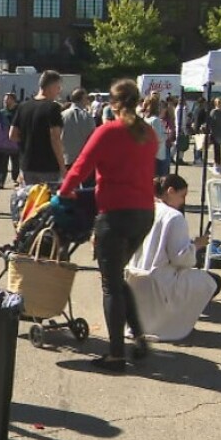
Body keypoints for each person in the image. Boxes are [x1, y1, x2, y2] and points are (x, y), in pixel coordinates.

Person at [55, 79, 156, 372]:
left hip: (115, 213)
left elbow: (80, 167)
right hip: (143, 213)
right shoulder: (147, 132)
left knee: (110, 285)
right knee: (117, 278)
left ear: (112, 103)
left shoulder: (108, 131)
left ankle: (115, 354)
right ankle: (137, 336)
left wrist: (63, 194)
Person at [126, 174, 221, 342]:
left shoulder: (144, 208)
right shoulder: (174, 216)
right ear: (170, 191)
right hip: (160, 279)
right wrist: (197, 246)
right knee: (213, 281)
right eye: (182, 196)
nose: (183, 201)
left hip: (134, 275)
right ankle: (175, 320)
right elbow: (180, 259)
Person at [9, 70, 65, 185]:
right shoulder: (53, 108)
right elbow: (55, 138)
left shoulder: (23, 106)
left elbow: (12, 135)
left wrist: (28, 139)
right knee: (46, 200)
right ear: (51, 87)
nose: (59, 91)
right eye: (58, 87)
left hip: (27, 165)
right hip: (48, 166)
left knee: (30, 200)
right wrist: (62, 166)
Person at [61, 88, 95, 172]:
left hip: (65, 158)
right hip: (83, 159)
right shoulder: (87, 117)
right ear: (82, 98)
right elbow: (93, 138)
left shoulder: (62, 115)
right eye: (86, 98)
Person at [142, 97, 169, 177]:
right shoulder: (155, 120)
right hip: (158, 154)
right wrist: (166, 134)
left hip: (148, 153)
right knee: (159, 179)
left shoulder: (145, 119)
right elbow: (157, 137)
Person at [1, 93, 22, 185]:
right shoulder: (1, 112)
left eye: (7, 99)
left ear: (13, 100)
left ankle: (14, 178)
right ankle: (1, 181)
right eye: (4, 99)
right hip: (3, 141)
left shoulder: (19, 112)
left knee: (15, 161)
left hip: (15, 140)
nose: (5, 101)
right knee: (3, 162)